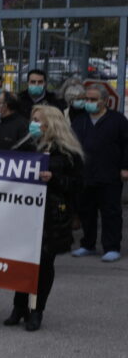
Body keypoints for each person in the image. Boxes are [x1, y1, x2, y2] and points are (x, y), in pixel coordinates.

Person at [1, 105, 82, 331]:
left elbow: (76, 186)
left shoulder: (67, 153)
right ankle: (19, 307)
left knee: (44, 264)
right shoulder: (25, 146)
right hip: (24, 214)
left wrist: (53, 178)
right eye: (32, 119)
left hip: (52, 215)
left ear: (51, 124)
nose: (33, 124)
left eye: (38, 120)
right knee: (21, 261)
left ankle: (37, 310)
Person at [70, 84, 128, 262]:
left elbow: (127, 145)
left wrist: (125, 167)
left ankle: (111, 247)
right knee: (87, 211)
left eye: (93, 100)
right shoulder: (80, 121)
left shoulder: (117, 121)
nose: (89, 103)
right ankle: (88, 244)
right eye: (87, 99)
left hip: (109, 174)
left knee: (110, 212)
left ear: (104, 101)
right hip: (85, 174)